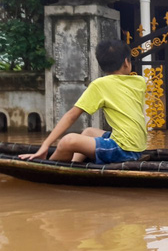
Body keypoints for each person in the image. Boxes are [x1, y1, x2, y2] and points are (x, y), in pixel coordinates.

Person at [19, 40, 147, 164]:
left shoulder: (100, 84)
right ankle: (75, 163)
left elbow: (71, 116)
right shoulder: (139, 81)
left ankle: (49, 169)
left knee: (67, 141)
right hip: (137, 147)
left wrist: (45, 145)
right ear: (126, 61)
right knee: (89, 132)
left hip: (123, 149)